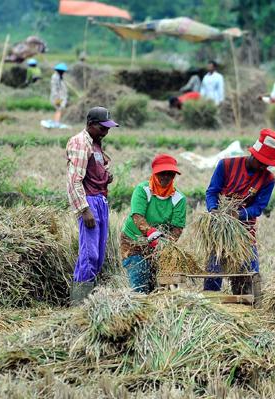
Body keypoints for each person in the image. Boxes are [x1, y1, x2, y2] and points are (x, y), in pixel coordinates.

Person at [204, 128, 275, 294]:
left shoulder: (268, 179)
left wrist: (239, 214)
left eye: (266, 164)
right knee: (214, 269)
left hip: (245, 231)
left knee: (249, 274)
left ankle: (246, 307)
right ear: (252, 155)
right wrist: (214, 211)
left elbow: (258, 208)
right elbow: (212, 192)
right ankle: (211, 301)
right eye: (260, 162)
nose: (263, 167)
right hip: (220, 228)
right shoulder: (226, 165)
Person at [66, 106, 119, 305]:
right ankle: (79, 305)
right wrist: (84, 209)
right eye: (102, 127)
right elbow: (74, 180)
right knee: (89, 255)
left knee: (98, 256)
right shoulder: (80, 143)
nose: (106, 131)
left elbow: (93, 171)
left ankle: (90, 304)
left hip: (101, 200)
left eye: (108, 128)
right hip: (89, 202)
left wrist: (106, 177)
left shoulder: (96, 143)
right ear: (90, 124)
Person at [120, 154, 187, 294]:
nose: (166, 177)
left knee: (161, 283)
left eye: (170, 174)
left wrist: (167, 243)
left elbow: (177, 228)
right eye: (162, 173)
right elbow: (137, 216)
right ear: (155, 173)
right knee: (139, 278)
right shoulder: (143, 190)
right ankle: (139, 307)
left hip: (160, 245)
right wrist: (151, 234)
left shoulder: (179, 198)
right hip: (134, 241)